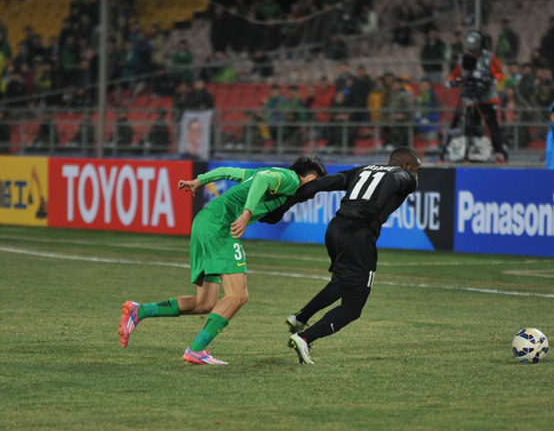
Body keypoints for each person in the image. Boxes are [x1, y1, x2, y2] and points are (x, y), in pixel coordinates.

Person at [118, 154, 328, 365]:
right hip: (221, 226)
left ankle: (140, 310)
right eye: (316, 182)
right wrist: (247, 213)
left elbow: (226, 172)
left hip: (204, 222)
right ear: (310, 177)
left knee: (204, 303)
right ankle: (196, 349)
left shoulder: (268, 172)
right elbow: (262, 182)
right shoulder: (291, 179)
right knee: (238, 295)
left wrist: (198, 181)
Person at [260, 147, 422, 365]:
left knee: (342, 283)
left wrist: (282, 208)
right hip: (359, 234)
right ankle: (305, 338)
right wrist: (370, 210)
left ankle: (300, 319)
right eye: (416, 170)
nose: (416, 175)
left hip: (335, 230)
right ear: (406, 165)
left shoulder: (361, 170)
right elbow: (396, 180)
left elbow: (320, 184)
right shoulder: (405, 176)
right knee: (353, 307)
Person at [444, 30, 508, 162]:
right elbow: (456, 73)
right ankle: (467, 151)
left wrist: (491, 79)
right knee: (468, 123)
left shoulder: (489, 57)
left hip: (487, 97)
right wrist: (451, 80)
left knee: (491, 125)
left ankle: (499, 152)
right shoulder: (463, 58)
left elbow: (498, 73)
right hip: (469, 97)